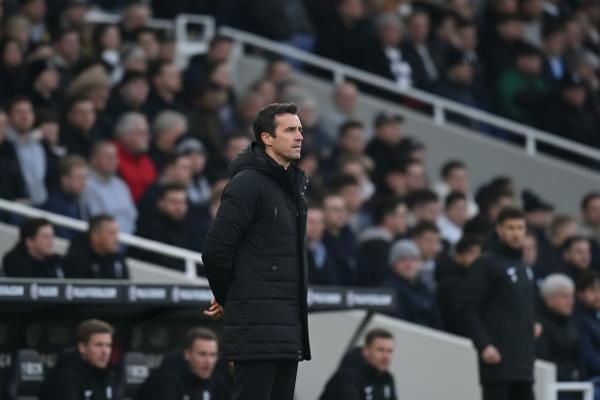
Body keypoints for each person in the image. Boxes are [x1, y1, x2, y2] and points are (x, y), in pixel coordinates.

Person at [202, 103, 311, 400]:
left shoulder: (292, 187)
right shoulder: (247, 184)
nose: (299, 136)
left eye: (300, 129)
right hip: (257, 327)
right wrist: (227, 297)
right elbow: (215, 250)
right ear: (267, 138)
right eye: (290, 130)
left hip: (287, 328)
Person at [462, 207, 537, 400]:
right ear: (499, 230)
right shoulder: (485, 264)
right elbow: (468, 308)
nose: (516, 233)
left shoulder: (524, 266)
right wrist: (484, 344)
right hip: (498, 360)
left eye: (520, 228)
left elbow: (521, 305)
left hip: (523, 363)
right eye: (510, 228)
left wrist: (533, 324)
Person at [136, 327, 223, 400]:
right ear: (187, 354)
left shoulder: (214, 380)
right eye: (202, 354)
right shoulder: (165, 380)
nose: (208, 361)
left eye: (213, 355)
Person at [40, 319, 118, 400]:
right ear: (82, 347)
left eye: (108, 345)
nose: (105, 351)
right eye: (98, 345)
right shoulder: (64, 378)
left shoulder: (108, 375)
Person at [129, 183, 194, 272]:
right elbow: (166, 264)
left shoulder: (187, 226)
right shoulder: (151, 229)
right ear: (161, 203)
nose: (179, 207)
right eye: (174, 202)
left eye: (182, 202)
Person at [536, 274, 586, 387]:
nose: (571, 301)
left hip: (576, 384)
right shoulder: (539, 327)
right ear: (549, 300)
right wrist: (572, 374)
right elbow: (543, 362)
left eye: (572, 296)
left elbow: (579, 358)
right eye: (565, 297)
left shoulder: (571, 323)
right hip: (551, 387)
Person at [319, 328, 397, 400]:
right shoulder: (347, 377)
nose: (386, 357)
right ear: (366, 351)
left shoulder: (387, 378)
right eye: (381, 350)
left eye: (390, 351)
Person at [383, 239, 441, 329]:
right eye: (402, 259)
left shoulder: (425, 288)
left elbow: (437, 321)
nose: (408, 264)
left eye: (413, 259)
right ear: (393, 264)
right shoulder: (388, 289)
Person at [83, 140, 138, 235]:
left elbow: (132, 215)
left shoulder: (121, 184)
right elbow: (97, 221)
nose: (112, 160)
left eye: (114, 156)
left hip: (129, 238)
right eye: (107, 157)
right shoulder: (86, 184)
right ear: (93, 159)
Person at [436, 236, 483, 336]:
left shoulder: (474, 280)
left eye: (479, 254)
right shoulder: (449, 283)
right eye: (472, 253)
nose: (477, 259)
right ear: (459, 255)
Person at [360, 197, 409, 286]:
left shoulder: (390, 242)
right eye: (403, 216)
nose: (406, 221)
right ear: (388, 218)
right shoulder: (375, 245)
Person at [63, 215, 129, 279]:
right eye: (111, 233)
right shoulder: (77, 259)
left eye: (116, 233)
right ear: (96, 236)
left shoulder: (118, 259)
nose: (116, 238)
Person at [113, 112, 156, 203]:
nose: (147, 138)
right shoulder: (112, 158)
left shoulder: (146, 161)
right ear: (126, 136)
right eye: (141, 133)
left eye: (147, 133)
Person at [42, 155, 89, 239]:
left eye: (85, 177)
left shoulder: (78, 200)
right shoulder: (54, 205)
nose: (83, 183)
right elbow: (64, 237)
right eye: (79, 178)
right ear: (65, 180)